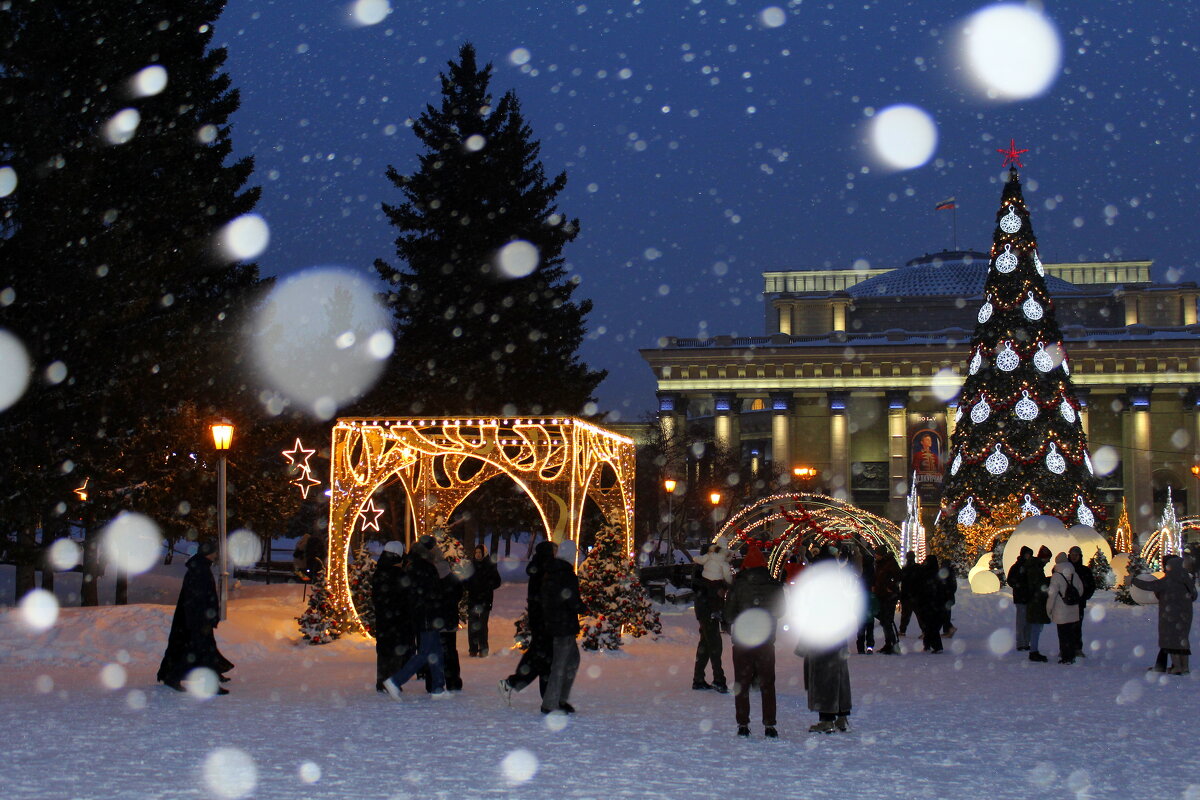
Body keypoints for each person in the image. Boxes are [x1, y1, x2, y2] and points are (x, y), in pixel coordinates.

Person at [724, 543, 784, 738]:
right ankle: (770, 725)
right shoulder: (774, 585)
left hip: (743, 640)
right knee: (768, 683)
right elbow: (781, 611)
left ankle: (743, 724)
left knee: (742, 682)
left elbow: (729, 614)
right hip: (766, 640)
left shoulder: (738, 586)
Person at [157, 541, 233, 694]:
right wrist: (204, 618)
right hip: (198, 620)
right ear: (210, 553)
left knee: (198, 650)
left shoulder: (200, 566)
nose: (218, 555)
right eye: (216, 552)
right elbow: (200, 597)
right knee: (201, 651)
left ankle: (173, 676)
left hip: (196, 618)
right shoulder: (200, 569)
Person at [382, 536, 448, 699]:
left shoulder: (415, 564)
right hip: (427, 614)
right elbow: (429, 592)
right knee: (425, 652)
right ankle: (395, 681)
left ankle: (438, 688)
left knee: (436, 651)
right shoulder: (424, 567)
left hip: (426, 614)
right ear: (429, 550)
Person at [498, 541, 558, 706]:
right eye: (554, 551)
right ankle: (513, 683)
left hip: (539, 618)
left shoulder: (538, 568)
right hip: (544, 619)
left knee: (542, 656)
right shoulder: (546, 569)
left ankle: (541, 694)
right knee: (542, 657)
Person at [1133, 555, 1196, 675]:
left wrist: (1134, 580)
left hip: (1169, 615)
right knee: (1182, 641)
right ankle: (1185, 667)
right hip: (1186, 615)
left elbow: (1149, 586)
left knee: (1171, 641)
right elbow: (1194, 595)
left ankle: (1176, 667)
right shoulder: (1186, 579)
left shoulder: (1168, 580)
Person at [372, 541, 414, 692]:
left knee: (384, 650)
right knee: (396, 650)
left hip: (383, 619)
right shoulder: (399, 575)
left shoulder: (379, 572)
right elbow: (406, 597)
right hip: (397, 620)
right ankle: (392, 681)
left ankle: (381, 681)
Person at [692, 544, 729, 692]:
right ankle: (718, 679)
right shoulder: (706, 573)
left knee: (706, 644)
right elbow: (703, 587)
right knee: (714, 645)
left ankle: (699, 679)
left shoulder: (702, 569)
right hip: (708, 610)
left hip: (705, 610)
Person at [464, 544, 502, 657]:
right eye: (476, 553)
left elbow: (497, 581)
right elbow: (465, 581)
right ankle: (473, 649)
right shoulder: (471, 566)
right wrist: (469, 586)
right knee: (472, 625)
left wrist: (487, 586)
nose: (478, 555)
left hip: (485, 599)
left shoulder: (489, 566)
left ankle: (483, 648)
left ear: (484, 553)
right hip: (473, 599)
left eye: (479, 553)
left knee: (482, 625)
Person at [1046, 552, 1085, 664]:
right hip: (1073, 609)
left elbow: (1052, 595)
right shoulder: (1074, 574)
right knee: (1072, 633)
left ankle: (1065, 656)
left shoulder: (1056, 576)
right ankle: (1071, 655)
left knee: (1063, 634)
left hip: (1061, 610)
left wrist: (1049, 609)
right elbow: (1080, 590)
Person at [1024, 546, 1053, 663]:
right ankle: (1033, 651)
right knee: (1036, 627)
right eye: (1048, 558)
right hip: (1036, 602)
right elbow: (1038, 585)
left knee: (1035, 627)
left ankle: (1034, 650)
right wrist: (1049, 581)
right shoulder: (1036, 568)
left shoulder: (1033, 566)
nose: (1049, 561)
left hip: (1034, 601)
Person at [1067, 545, 1095, 658]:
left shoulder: (1085, 570)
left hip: (1079, 604)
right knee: (1066, 627)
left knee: (1077, 627)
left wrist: (1084, 596)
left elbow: (1091, 586)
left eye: (1076, 555)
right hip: (1066, 603)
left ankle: (1077, 648)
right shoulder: (1066, 569)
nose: (1074, 557)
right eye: (1072, 555)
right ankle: (1066, 648)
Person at [872, 546, 901, 655]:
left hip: (889, 596)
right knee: (884, 620)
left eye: (877, 554)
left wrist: (891, 587)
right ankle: (889, 643)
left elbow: (898, 576)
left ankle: (893, 643)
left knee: (887, 620)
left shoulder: (890, 563)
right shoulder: (879, 563)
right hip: (881, 594)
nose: (876, 556)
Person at [914, 554, 944, 654]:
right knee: (931, 625)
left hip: (927, 602)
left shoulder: (925, 572)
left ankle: (935, 645)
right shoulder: (937, 573)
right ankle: (929, 644)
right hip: (934, 602)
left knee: (929, 625)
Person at [1006, 546, 1034, 651]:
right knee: (1021, 621)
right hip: (1021, 597)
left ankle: (1026, 642)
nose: (1028, 556)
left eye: (1029, 554)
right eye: (1027, 554)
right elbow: (1010, 580)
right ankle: (1020, 643)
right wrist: (1019, 584)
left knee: (1029, 622)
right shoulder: (1017, 567)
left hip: (1029, 598)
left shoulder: (1031, 566)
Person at [855, 546, 876, 654]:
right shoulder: (873, 573)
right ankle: (870, 646)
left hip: (863, 602)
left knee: (861, 627)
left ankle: (860, 647)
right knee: (870, 627)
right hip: (869, 604)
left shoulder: (864, 574)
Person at [898, 551, 920, 637]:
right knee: (919, 614)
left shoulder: (905, 569)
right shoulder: (918, 568)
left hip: (906, 594)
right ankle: (924, 631)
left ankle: (902, 631)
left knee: (905, 615)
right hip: (916, 594)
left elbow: (901, 581)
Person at [939, 559, 958, 637]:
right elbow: (954, 586)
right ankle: (947, 630)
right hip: (949, 597)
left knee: (943, 614)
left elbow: (942, 585)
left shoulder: (944, 573)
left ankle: (949, 628)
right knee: (946, 614)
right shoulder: (951, 573)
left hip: (944, 597)